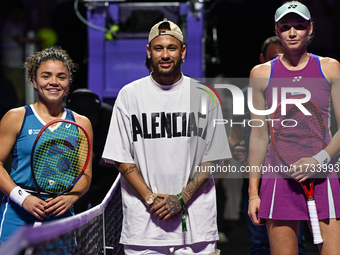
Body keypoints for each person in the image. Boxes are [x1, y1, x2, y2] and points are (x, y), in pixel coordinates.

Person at [102, 20, 231, 254]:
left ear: (182, 52)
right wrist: (150, 199)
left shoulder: (204, 96)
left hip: (196, 228)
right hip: (143, 228)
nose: (165, 55)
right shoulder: (129, 95)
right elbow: (121, 158)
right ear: (149, 51)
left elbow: (213, 158)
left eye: (171, 48)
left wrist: (182, 198)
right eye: (159, 48)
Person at [248, 1, 340, 255]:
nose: (292, 32)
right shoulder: (260, 74)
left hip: (323, 175)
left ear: (310, 29)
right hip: (279, 179)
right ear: (277, 30)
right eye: (286, 26)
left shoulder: (330, 67)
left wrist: (318, 160)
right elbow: (258, 136)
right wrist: (253, 193)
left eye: (299, 26)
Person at [0, 46, 93, 245]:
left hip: (60, 213)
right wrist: (23, 198)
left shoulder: (81, 124)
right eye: (46, 76)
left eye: (61, 76)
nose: (53, 82)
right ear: (34, 80)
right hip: (17, 213)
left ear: (69, 83)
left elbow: (85, 174)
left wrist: (71, 197)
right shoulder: (16, 117)